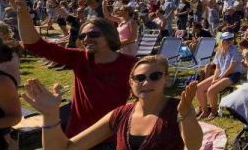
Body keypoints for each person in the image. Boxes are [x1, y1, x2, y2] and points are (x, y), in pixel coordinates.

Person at [0, 0, 136, 147]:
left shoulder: (131, 64)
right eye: (83, 35)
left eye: (93, 34)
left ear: (109, 36)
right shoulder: (79, 58)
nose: (86, 39)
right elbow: (35, 45)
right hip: (77, 134)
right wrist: (22, 12)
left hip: (112, 135)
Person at [21, 56, 204, 150]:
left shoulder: (177, 109)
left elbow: (194, 145)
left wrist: (186, 114)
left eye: (155, 76)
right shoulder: (121, 114)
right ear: (131, 83)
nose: (146, 82)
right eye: (139, 78)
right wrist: (50, 116)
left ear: (166, 79)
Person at [195, 32, 244, 120]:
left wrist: (219, 79)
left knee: (211, 90)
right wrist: (214, 78)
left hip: (233, 74)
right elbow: (217, 68)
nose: (230, 41)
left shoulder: (234, 50)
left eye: (231, 39)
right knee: (198, 88)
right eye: (227, 40)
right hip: (222, 73)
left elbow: (231, 68)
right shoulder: (219, 51)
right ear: (222, 41)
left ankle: (214, 112)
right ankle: (205, 111)